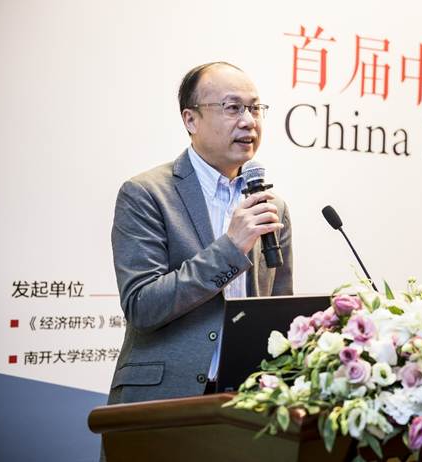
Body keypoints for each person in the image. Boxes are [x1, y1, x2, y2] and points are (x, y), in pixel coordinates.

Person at [106, 62, 293, 406]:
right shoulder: (146, 193)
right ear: (191, 120)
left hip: (244, 400)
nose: (249, 121)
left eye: (255, 108)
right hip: (161, 399)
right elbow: (142, 306)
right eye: (233, 107)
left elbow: (278, 313)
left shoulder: (271, 205)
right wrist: (230, 248)